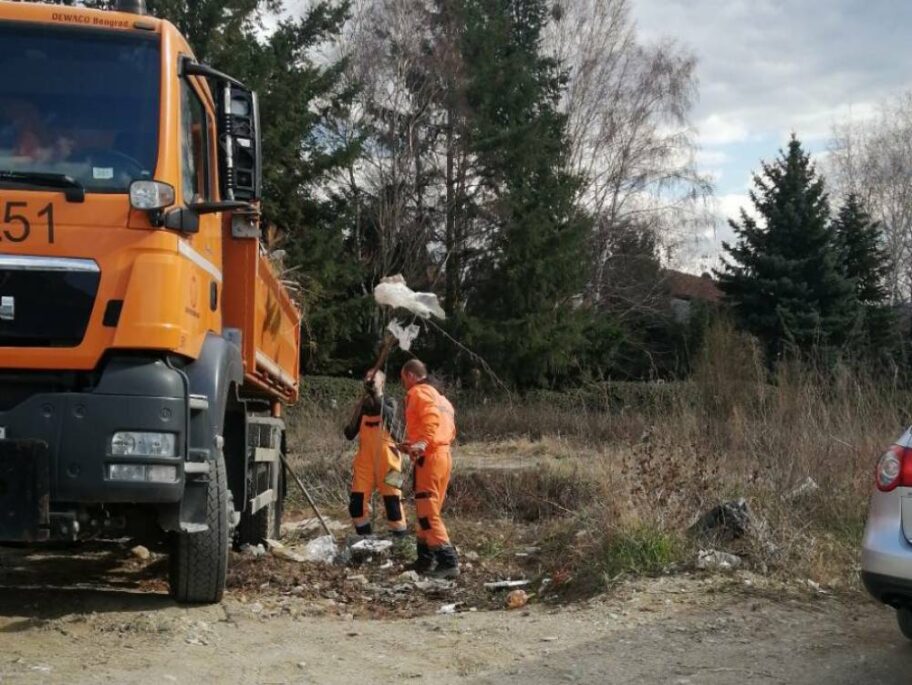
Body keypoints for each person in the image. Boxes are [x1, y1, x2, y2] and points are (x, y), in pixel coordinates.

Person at [399, 359, 459, 578]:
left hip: (430, 458)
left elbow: (430, 421)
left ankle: (447, 561)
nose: (404, 384)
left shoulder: (419, 392)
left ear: (411, 376)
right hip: (442, 456)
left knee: (427, 513)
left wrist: (422, 443)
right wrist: (413, 445)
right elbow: (448, 430)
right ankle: (425, 559)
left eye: (404, 379)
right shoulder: (442, 398)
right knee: (427, 510)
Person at [343, 370, 408, 537]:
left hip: (391, 460)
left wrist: (376, 396)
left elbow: (388, 415)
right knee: (356, 506)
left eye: (373, 378)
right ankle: (366, 540)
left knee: (394, 504)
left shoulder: (390, 401)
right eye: (366, 378)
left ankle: (400, 541)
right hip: (364, 461)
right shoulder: (363, 405)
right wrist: (358, 409)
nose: (368, 380)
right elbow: (349, 434)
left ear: (382, 383)